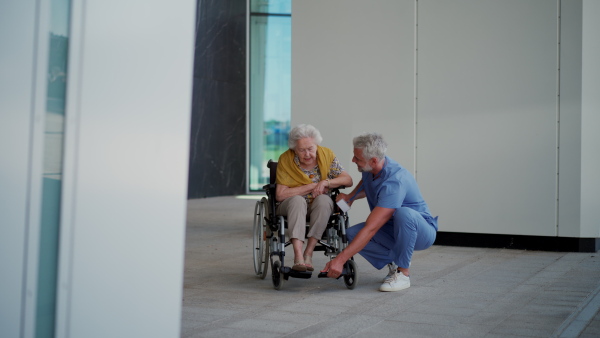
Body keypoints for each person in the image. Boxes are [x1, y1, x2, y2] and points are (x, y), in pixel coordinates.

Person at [322, 132, 438, 291]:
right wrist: (351, 197)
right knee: (352, 234)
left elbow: (372, 228)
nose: (353, 160)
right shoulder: (370, 168)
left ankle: (404, 274)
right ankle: (395, 262)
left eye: (357, 158)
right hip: (392, 230)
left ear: (374, 160)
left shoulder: (395, 181)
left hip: (420, 232)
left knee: (404, 214)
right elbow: (367, 183)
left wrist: (340, 259)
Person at [276, 124, 353, 272]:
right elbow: (280, 194)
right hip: (290, 206)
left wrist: (326, 182)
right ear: (294, 149)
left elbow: (348, 180)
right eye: (301, 150)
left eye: (310, 149)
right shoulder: (286, 159)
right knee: (298, 200)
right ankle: (298, 256)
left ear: (316, 145)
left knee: (324, 200)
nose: (307, 154)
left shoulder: (327, 155)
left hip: (318, 206)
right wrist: (311, 186)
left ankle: (308, 253)